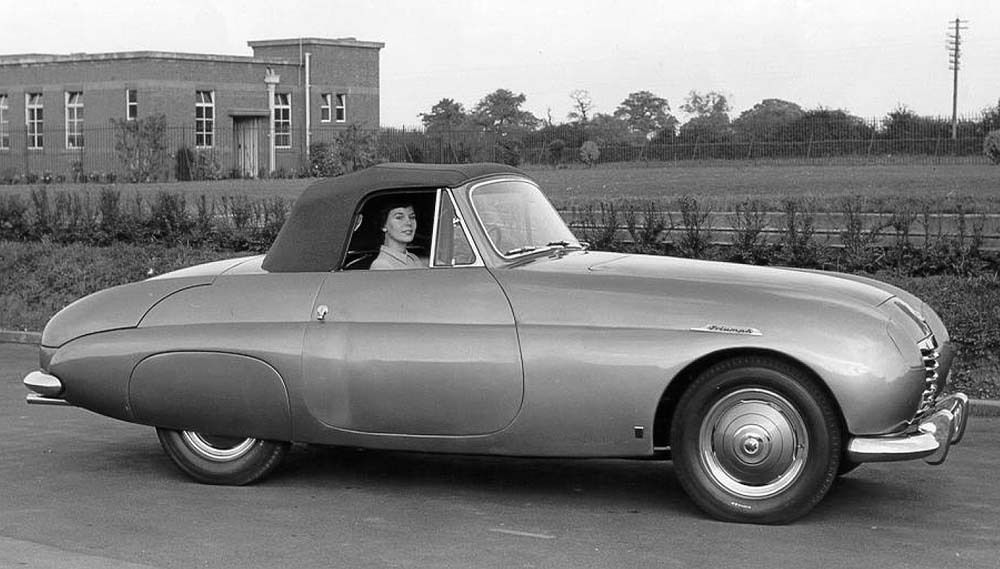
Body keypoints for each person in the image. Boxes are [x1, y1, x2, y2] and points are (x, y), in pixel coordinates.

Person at [370, 202, 424, 270]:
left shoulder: (413, 258)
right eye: (399, 218)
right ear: (383, 225)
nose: (409, 223)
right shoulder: (381, 265)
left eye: (412, 217)